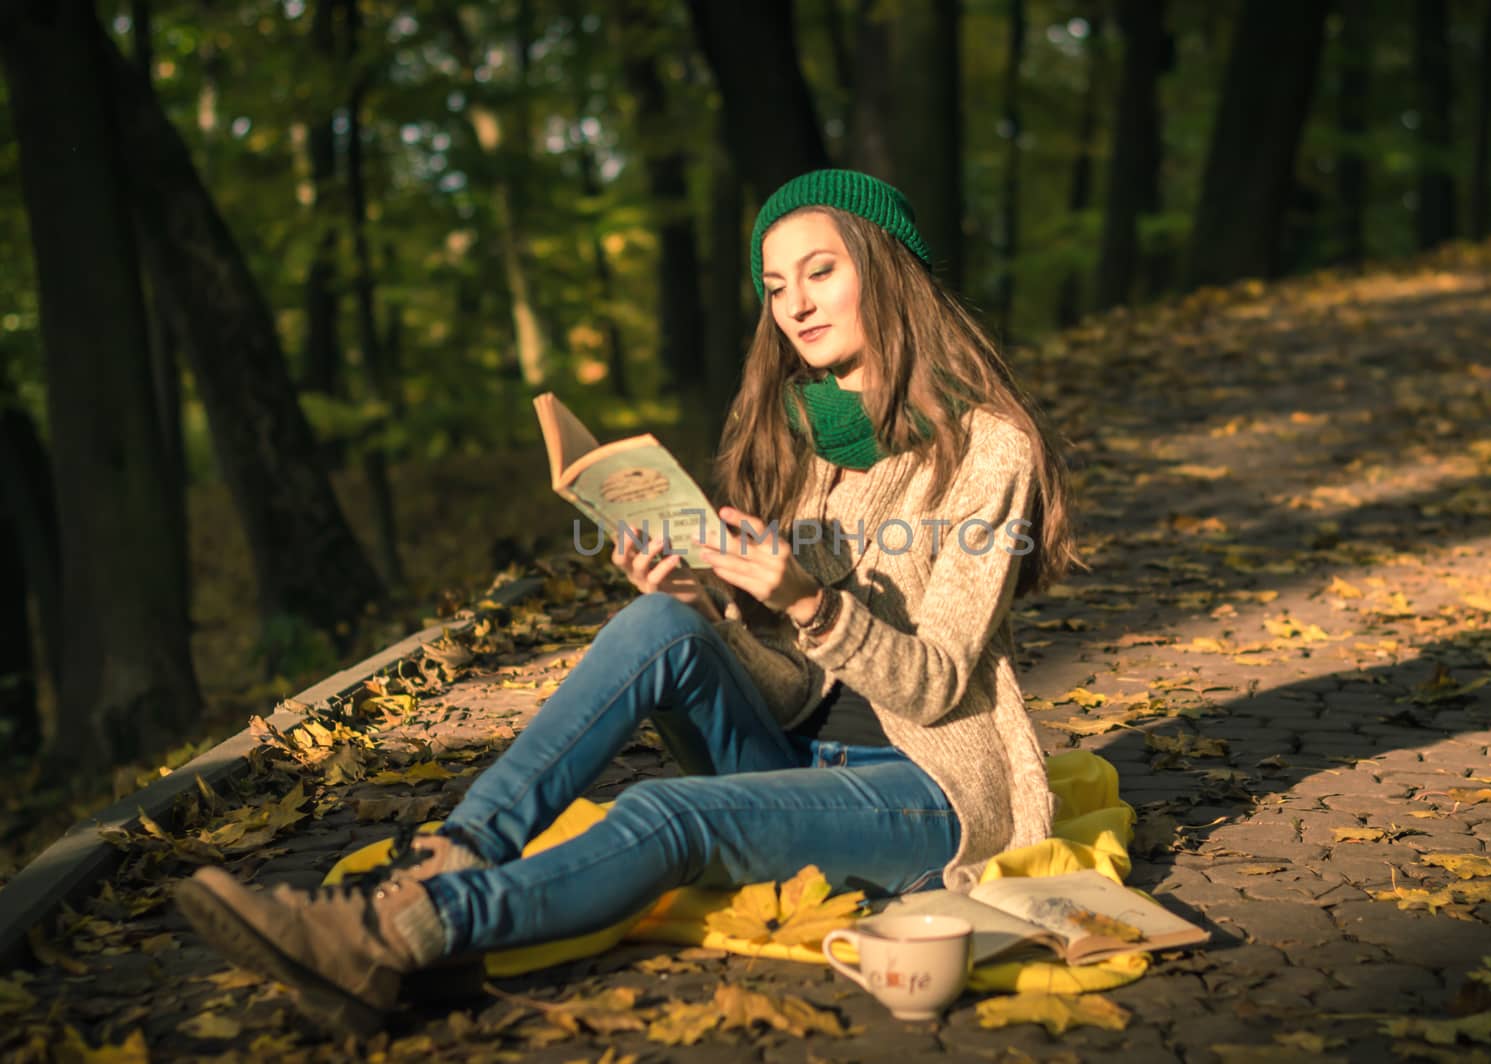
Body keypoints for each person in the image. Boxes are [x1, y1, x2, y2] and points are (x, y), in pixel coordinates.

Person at [174, 168, 1077, 1038]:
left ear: (883, 269)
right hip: (805, 757)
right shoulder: (816, 445)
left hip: (932, 792)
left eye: (820, 271)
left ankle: (396, 936)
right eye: (773, 286)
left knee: (662, 815)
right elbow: (800, 691)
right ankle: (453, 856)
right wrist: (711, 610)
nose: (794, 304)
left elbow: (937, 685)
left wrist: (807, 600)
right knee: (659, 622)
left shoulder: (988, 448)